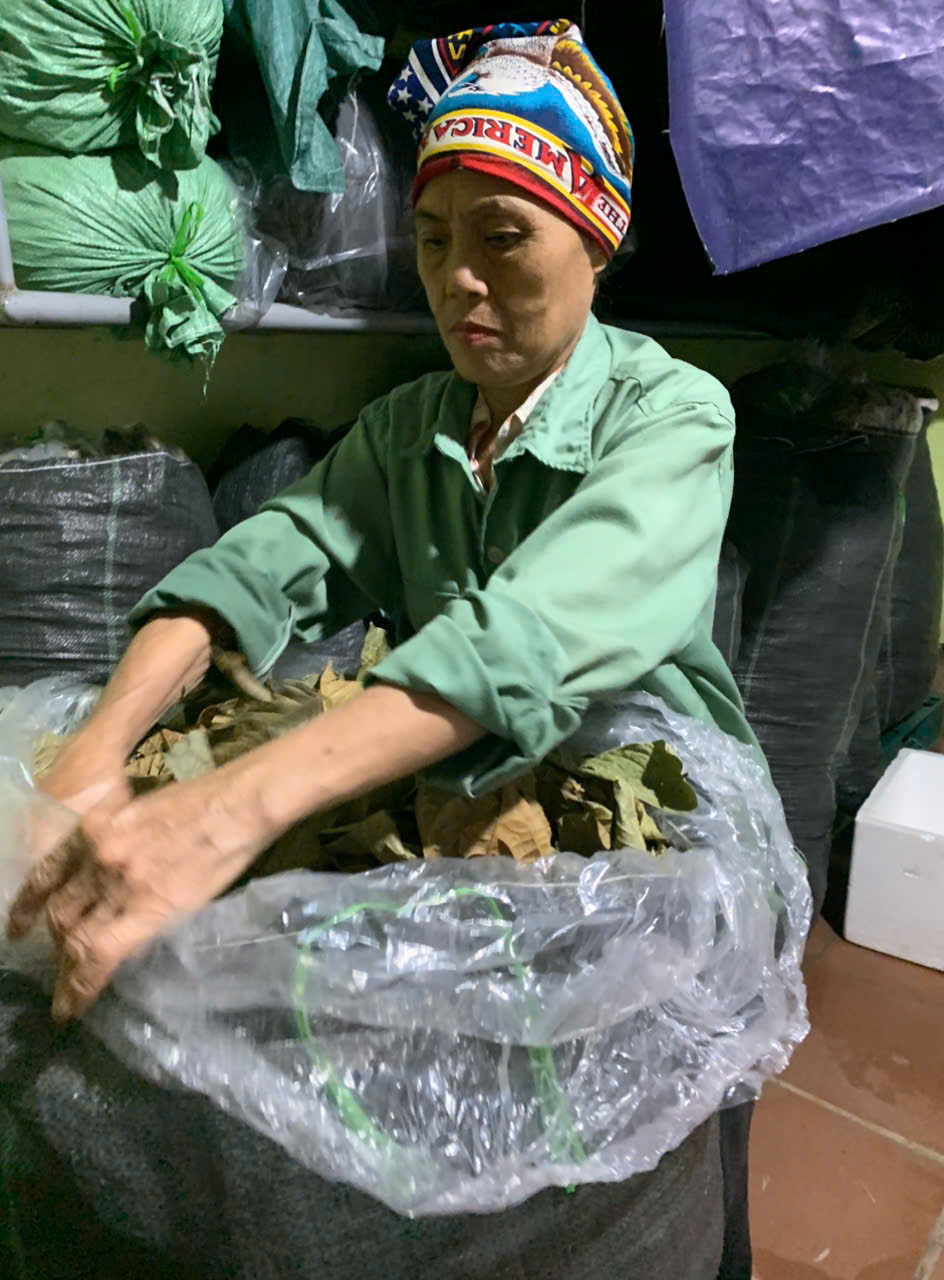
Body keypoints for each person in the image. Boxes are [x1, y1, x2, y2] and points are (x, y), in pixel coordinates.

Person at [6, 19, 758, 1279]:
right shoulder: (411, 427)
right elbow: (263, 562)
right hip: (468, 802)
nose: (458, 279)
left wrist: (224, 810)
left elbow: (529, 634)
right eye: (433, 238)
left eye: (502, 237)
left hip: (657, 863)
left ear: (596, 235)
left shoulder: (674, 416)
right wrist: (96, 751)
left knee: (673, 1124)